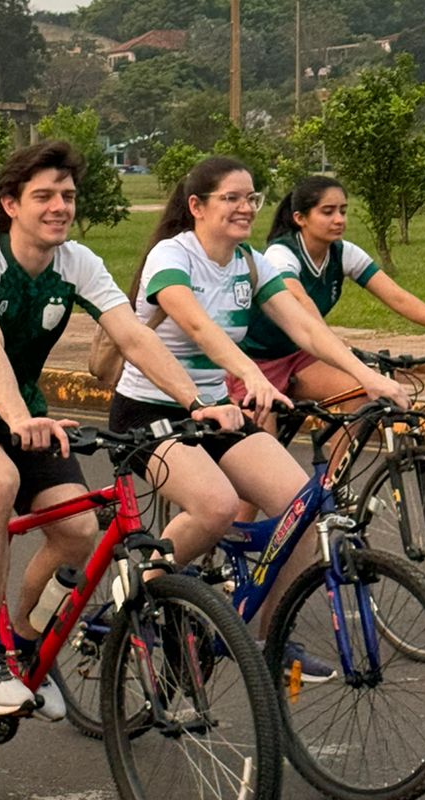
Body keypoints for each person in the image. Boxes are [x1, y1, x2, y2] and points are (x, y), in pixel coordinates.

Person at [0, 138, 244, 722]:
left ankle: (27, 646)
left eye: (68, 195)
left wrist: (193, 402)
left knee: (80, 530)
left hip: (20, 407)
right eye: (44, 196)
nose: (60, 206)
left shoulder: (76, 261)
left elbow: (133, 337)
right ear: (10, 204)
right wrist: (17, 421)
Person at [108, 155, 408, 676]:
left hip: (217, 411)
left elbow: (307, 330)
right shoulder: (171, 256)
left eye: (251, 198)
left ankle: (271, 640)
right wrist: (253, 375)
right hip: (150, 411)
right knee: (217, 505)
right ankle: (144, 581)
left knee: (301, 512)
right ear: (197, 206)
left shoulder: (250, 262)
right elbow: (200, 328)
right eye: (232, 198)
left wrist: (371, 379)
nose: (245, 208)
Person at [239, 172, 425, 406]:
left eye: (343, 211)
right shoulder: (281, 254)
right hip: (254, 360)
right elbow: (300, 301)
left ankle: (343, 450)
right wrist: (334, 344)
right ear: (300, 218)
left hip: (300, 355)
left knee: (361, 392)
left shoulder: (343, 252)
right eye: (328, 212)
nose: (339, 219)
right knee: (263, 439)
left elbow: (397, 296)